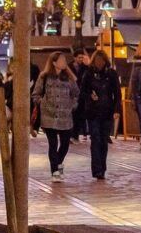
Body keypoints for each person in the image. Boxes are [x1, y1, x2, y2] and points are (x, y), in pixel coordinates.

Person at [32, 51, 80, 178]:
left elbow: (76, 94)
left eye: (64, 60)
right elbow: (36, 94)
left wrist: (72, 105)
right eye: (61, 60)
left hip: (65, 116)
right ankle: (55, 171)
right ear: (54, 62)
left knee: (64, 144)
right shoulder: (44, 76)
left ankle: (58, 163)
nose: (64, 63)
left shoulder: (70, 78)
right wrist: (42, 103)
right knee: (52, 144)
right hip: (49, 115)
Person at [80, 49, 121, 180]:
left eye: (101, 61)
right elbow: (82, 92)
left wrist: (116, 110)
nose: (99, 63)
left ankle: (102, 167)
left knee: (103, 140)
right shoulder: (89, 74)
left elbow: (117, 94)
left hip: (107, 111)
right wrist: (90, 96)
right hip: (93, 111)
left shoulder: (111, 74)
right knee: (95, 139)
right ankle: (97, 169)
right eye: (97, 61)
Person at [69, 48, 90, 142]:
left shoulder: (86, 68)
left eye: (82, 58)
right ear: (74, 58)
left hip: (81, 95)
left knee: (79, 115)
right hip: (70, 94)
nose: (81, 59)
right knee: (71, 115)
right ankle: (70, 135)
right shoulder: (68, 67)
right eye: (79, 57)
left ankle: (75, 135)